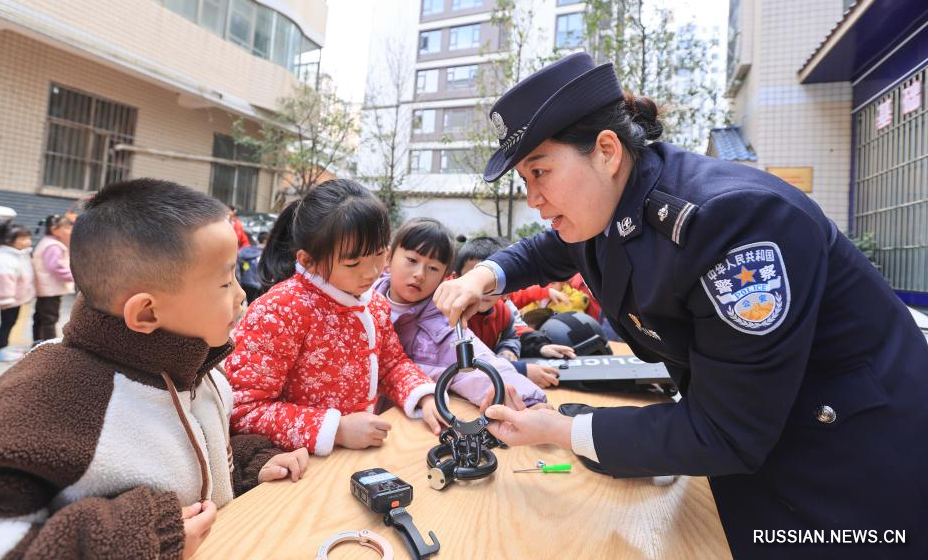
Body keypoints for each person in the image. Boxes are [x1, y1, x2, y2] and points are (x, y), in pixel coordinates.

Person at [432, 52, 928, 559]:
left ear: (606, 150)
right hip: (760, 441)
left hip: (846, 463)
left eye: (540, 172)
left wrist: (562, 431)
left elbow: (725, 430)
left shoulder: (731, 225)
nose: (534, 198)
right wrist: (486, 274)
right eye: (525, 181)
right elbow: (551, 248)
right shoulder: (611, 200)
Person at [0, 178, 309, 558]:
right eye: (224, 282)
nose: (240, 294)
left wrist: (249, 465)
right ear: (146, 312)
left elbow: (185, 464)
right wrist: (129, 541)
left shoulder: (204, 371)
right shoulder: (53, 390)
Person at [226, 179, 442, 457]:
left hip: (354, 455)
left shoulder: (372, 303)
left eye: (379, 254)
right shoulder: (279, 310)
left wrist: (424, 395)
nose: (371, 273)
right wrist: (335, 429)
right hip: (291, 466)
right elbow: (242, 409)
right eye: (353, 264)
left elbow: (391, 364)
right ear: (307, 261)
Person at [374, 219, 546, 404]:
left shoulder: (445, 322)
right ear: (389, 257)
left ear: (444, 276)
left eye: (433, 268)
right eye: (412, 260)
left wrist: (529, 401)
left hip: (408, 421)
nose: (420, 274)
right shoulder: (359, 302)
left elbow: (480, 364)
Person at [453, 235, 569, 389]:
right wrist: (518, 369)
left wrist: (508, 349)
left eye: (491, 283)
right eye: (475, 281)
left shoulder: (504, 312)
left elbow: (511, 336)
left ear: (505, 288)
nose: (483, 290)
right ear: (456, 279)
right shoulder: (451, 315)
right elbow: (462, 362)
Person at [0, 222, 35, 362]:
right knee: (7, 323)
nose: (28, 241)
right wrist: (5, 299)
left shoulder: (18, 254)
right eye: (23, 238)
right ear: (8, 240)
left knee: (10, 323)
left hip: (15, 298)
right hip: (9, 300)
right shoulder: (4, 258)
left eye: (28, 238)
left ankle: (4, 347)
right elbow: (2, 281)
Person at [32, 214, 74, 344]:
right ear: (55, 229)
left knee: (40, 316)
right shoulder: (54, 246)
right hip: (51, 289)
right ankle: (48, 345)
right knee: (50, 318)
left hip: (45, 288)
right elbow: (56, 268)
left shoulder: (47, 242)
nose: (71, 231)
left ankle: (38, 342)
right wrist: (74, 276)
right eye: (67, 227)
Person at [237, 231, 266, 304]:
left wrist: (246, 269)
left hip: (245, 281)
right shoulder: (264, 252)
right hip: (258, 283)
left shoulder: (245, 251)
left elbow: (242, 264)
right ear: (265, 240)